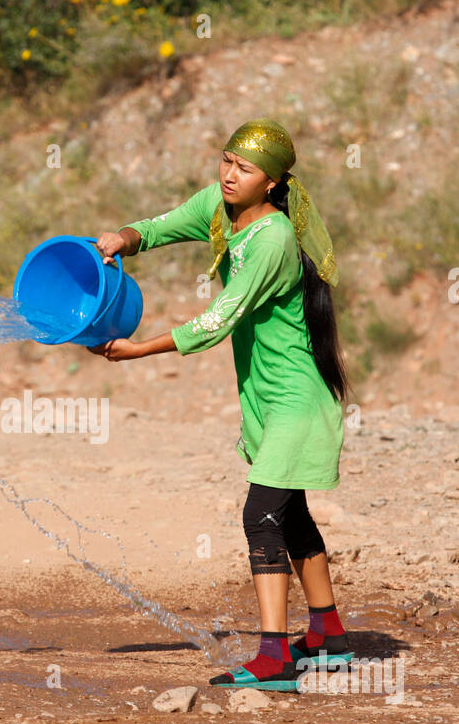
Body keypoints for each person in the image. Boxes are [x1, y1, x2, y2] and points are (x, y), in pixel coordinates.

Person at [88, 118, 353, 690]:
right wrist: (122, 238)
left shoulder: (274, 239)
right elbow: (163, 226)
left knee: (260, 516)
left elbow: (217, 320)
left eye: (246, 168)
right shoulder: (221, 206)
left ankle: (275, 657)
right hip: (267, 393)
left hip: (297, 401)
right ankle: (329, 637)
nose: (230, 175)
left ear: (275, 183)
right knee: (291, 514)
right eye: (227, 160)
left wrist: (137, 351)